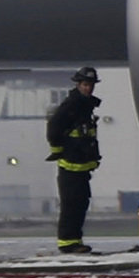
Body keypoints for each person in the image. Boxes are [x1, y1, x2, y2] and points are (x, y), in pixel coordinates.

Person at [47, 66, 102, 254]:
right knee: (71, 205)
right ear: (78, 84)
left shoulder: (85, 107)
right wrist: (60, 152)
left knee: (80, 204)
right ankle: (67, 243)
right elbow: (53, 128)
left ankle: (75, 241)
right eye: (86, 85)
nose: (89, 89)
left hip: (82, 167)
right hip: (70, 167)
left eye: (91, 85)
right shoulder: (71, 106)